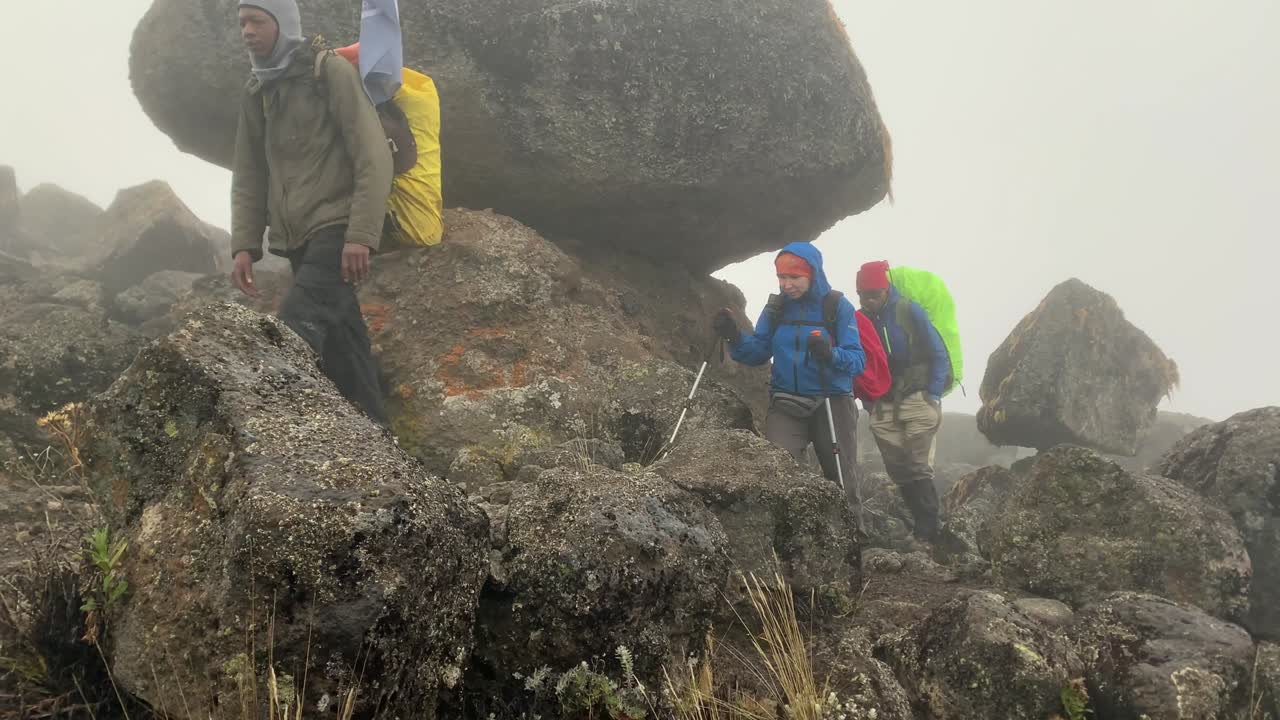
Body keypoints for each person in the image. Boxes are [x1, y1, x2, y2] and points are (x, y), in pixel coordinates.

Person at [229, 0, 393, 425]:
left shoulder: (328, 72)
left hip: (338, 225)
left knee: (293, 328)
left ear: (282, 24)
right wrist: (244, 245)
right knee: (344, 345)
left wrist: (360, 234)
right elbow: (249, 171)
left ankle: (268, 424)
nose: (247, 30)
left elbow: (373, 154)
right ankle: (378, 436)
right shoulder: (256, 91)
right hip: (297, 235)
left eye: (256, 21)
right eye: (242, 22)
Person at [713, 243, 867, 528]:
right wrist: (734, 336)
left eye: (794, 278)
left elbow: (858, 360)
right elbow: (758, 351)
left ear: (813, 274)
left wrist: (830, 354)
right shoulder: (777, 308)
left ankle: (852, 540)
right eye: (782, 278)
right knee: (779, 473)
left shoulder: (836, 307)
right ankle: (794, 541)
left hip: (831, 402)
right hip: (786, 402)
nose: (787, 285)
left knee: (841, 477)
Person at [856, 260, 949, 542]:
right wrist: (869, 403)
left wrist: (932, 394)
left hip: (917, 396)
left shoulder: (909, 310)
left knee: (918, 464)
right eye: (864, 296)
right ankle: (920, 525)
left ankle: (928, 528)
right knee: (897, 467)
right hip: (882, 401)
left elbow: (938, 352)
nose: (869, 301)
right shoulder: (858, 320)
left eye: (875, 294)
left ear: (887, 290)